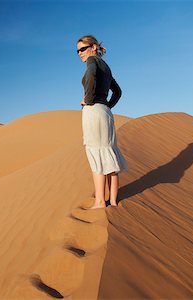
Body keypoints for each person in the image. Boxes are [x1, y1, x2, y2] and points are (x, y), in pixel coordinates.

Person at [77, 35, 128, 209]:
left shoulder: (92, 61)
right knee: (108, 153)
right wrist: (107, 105)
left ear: (92, 47)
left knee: (96, 153)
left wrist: (89, 100)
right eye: (77, 51)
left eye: (82, 49)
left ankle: (100, 201)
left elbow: (90, 76)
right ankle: (113, 200)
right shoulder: (106, 67)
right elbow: (118, 92)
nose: (79, 53)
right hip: (105, 112)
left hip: (94, 112)